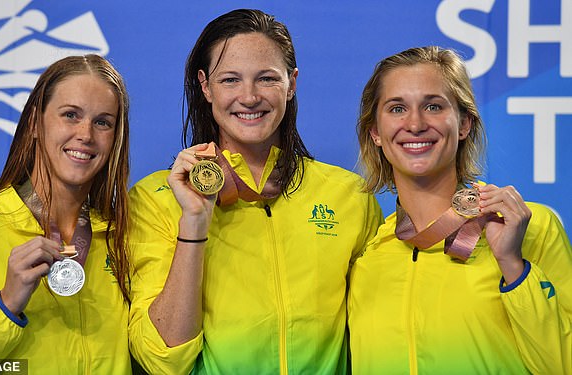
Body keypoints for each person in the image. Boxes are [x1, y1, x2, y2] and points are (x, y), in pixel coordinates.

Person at [128, 8, 383, 375]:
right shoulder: (155, 197)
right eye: (230, 79)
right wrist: (195, 223)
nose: (248, 97)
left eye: (266, 79)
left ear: (291, 83)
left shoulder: (349, 195)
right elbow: (163, 360)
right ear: (205, 86)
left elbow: (375, 339)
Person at [348, 46, 572, 374]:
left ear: (464, 123)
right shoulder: (368, 256)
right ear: (376, 133)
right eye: (397, 108)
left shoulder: (530, 227)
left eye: (434, 106)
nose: (415, 123)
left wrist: (513, 266)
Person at [0, 55, 134, 374]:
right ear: (34, 124)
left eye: (103, 122)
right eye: (70, 115)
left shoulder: (123, 236)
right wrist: (5, 306)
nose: (86, 134)